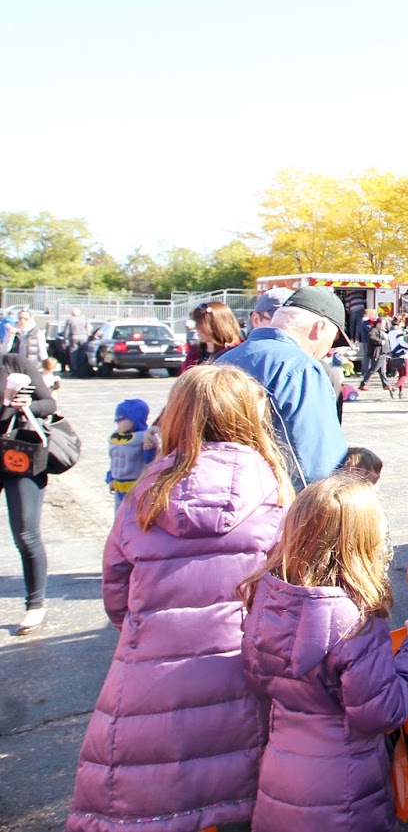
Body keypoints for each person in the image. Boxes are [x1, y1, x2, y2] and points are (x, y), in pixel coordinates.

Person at [66, 365, 293, 832]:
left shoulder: (143, 494)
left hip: (150, 675)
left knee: (155, 794)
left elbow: (116, 593)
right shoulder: (272, 491)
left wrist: (150, 628)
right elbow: (287, 592)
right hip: (241, 671)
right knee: (243, 792)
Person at [241, 476, 408, 831]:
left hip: (280, 778)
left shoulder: (267, 600)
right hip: (346, 793)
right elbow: (381, 712)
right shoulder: (356, 622)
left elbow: (258, 679)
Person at [217, 286, 350, 490]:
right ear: (319, 328)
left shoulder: (220, 362)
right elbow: (318, 464)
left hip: (221, 494)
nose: (327, 350)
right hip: (277, 499)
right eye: (332, 341)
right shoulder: (301, 368)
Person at [1, 353, 55, 634]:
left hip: (19, 454)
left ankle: (35, 605)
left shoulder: (13, 364)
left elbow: (49, 403)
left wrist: (26, 405)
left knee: (25, 532)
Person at [105, 398, 155, 512]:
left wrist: (149, 449)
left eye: (121, 418)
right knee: (119, 519)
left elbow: (151, 463)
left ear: (134, 418)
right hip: (118, 488)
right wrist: (110, 477)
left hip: (136, 489)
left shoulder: (144, 438)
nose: (117, 421)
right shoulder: (115, 437)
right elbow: (113, 462)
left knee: (133, 519)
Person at [182, 299, 245, 373]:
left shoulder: (240, 351)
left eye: (200, 324)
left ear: (216, 325)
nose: (196, 328)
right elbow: (184, 377)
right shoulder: (194, 353)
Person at [359, 314, 391, 394]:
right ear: (378, 323)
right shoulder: (374, 330)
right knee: (373, 369)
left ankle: (385, 384)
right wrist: (380, 341)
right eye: (383, 323)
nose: (384, 325)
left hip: (383, 353)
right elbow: (371, 337)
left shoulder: (382, 331)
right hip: (379, 353)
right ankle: (363, 384)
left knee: (383, 370)